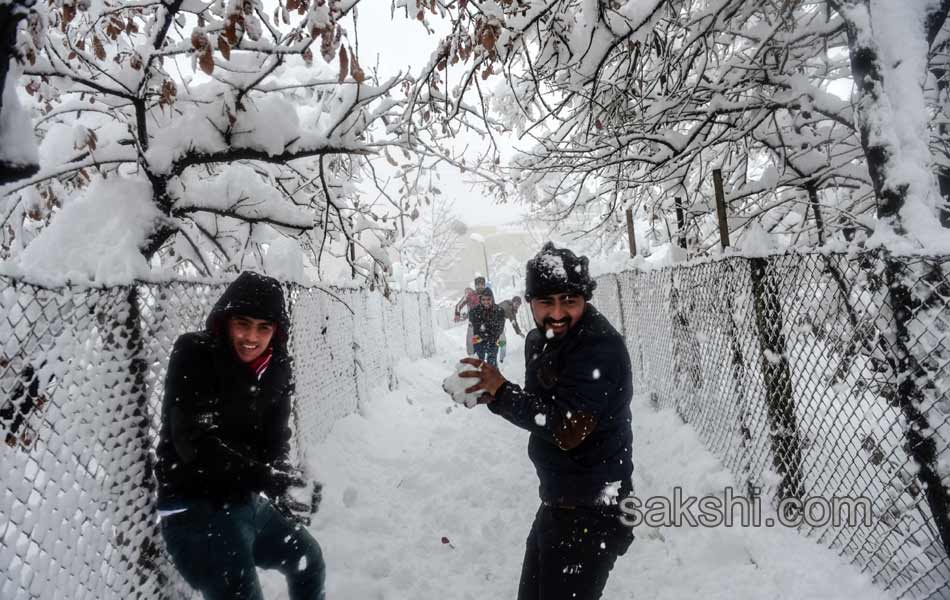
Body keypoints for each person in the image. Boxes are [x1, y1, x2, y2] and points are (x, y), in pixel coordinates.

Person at [459, 242, 635, 600]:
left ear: (584, 299)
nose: (557, 313)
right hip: (559, 500)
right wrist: (493, 395)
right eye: (546, 302)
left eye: (569, 301)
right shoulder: (539, 340)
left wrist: (502, 392)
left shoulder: (598, 347)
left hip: (595, 509)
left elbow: (568, 428)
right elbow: (539, 407)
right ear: (530, 302)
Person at [155, 271, 325, 600]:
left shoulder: (277, 366)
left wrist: (283, 479)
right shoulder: (196, 354)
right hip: (194, 509)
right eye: (242, 323)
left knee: (308, 559)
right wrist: (265, 477)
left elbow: (277, 436)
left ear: (277, 332)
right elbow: (195, 444)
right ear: (225, 322)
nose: (251, 337)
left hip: (244, 500)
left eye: (264, 327)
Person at [468, 286, 506, 367]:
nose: (486, 302)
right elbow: (475, 329)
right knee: (478, 361)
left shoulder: (499, 311)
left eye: (488, 299)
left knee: (492, 361)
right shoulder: (474, 312)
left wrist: (489, 334)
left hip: (493, 338)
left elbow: (499, 330)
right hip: (478, 338)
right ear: (480, 300)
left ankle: (492, 374)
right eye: (483, 300)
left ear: (492, 299)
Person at [455, 276, 488, 355]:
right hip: (472, 325)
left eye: (482, 284)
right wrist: (457, 314)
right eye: (478, 284)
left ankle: (483, 360)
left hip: (484, 325)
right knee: (470, 344)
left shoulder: (488, 295)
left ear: (484, 285)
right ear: (475, 285)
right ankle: (472, 359)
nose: (480, 286)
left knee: (483, 344)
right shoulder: (470, 295)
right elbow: (458, 305)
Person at [496, 295, 525, 364]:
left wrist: (519, 332)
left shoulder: (511, 307)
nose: (517, 305)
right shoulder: (507, 306)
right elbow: (512, 319)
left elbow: (514, 320)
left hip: (498, 326)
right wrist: (519, 332)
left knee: (500, 342)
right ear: (513, 302)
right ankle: (501, 360)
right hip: (494, 324)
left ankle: (501, 359)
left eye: (519, 304)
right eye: (516, 303)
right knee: (501, 342)